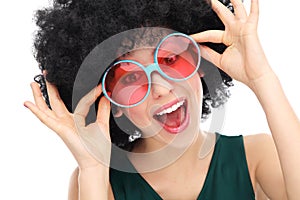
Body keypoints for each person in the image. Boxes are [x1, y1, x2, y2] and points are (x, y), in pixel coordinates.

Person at [24, 0, 300, 199]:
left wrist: (263, 79)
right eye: (130, 77)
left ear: (200, 63)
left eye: (170, 59)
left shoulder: (257, 157)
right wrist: (93, 167)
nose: (161, 87)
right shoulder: (98, 181)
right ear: (112, 103)